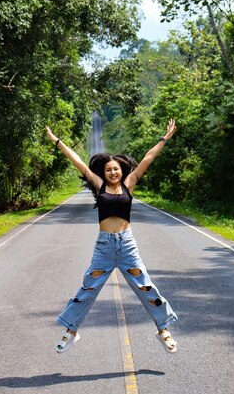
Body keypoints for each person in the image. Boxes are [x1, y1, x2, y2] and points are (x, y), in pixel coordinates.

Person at [45, 119, 178, 354]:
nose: (113, 172)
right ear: (103, 173)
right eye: (108, 169)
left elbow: (148, 158)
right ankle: (71, 332)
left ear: (122, 170)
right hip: (104, 247)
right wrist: (57, 142)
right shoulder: (99, 186)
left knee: (145, 286)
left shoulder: (130, 183)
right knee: (89, 288)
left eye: (116, 168)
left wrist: (164, 139)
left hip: (127, 245)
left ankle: (164, 329)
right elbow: (77, 161)